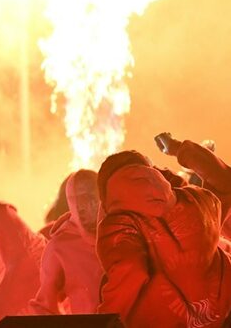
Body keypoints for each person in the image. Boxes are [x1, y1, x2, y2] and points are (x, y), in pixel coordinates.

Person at [96, 139, 231, 328]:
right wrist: (179, 150)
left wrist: (103, 321)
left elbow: (129, 271)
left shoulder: (118, 224)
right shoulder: (197, 201)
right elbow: (224, 182)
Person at [30, 169, 102, 315]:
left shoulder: (123, 232)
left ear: (101, 195)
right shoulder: (59, 247)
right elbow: (44, 306)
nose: (80, 206)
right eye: (73, 199)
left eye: (87, 196)